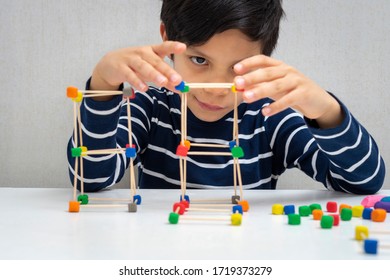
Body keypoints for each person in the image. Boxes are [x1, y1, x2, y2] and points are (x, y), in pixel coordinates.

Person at [67, 0, 385, 194]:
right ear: (166, 38)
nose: (217, 87)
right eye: (200, 60)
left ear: (265, 56)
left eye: (238, 67)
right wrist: (103, 85)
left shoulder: (270, 116)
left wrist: (326, 110)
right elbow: (89, 177)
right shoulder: (151, 106)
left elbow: (364, 181)